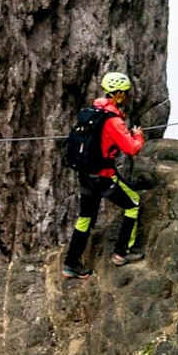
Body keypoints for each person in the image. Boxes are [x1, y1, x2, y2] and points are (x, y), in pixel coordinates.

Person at [62, 72, 147, 279]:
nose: (126, 96)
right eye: (125, 93)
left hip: (85, 174)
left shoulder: (90, 112)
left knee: (85, 218)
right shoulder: (112, 120)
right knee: (133, 204)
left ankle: (71, 264)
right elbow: (132, 148)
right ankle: (121, 253)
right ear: (117, 94)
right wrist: (138, 136)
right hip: (104, 175)